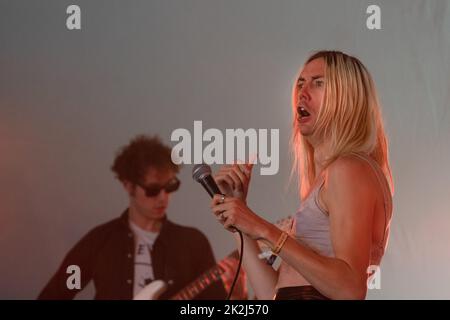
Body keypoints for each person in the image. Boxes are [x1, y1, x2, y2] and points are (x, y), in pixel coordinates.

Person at [210, 50, 394, 300]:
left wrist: (263, 228)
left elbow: (350, 288)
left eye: (318, 83)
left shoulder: (349, 169)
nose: (302, 93)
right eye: (300, 83)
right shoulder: (331, 175)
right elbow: (271, 293)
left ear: (347, 98)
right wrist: (240, 223)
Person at [38, 135, 236, 299]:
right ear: (128, 186)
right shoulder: (99, 242)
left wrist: (237, 295)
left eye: (170, 187)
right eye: (152, 190)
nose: (163, 197)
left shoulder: (193, 242)